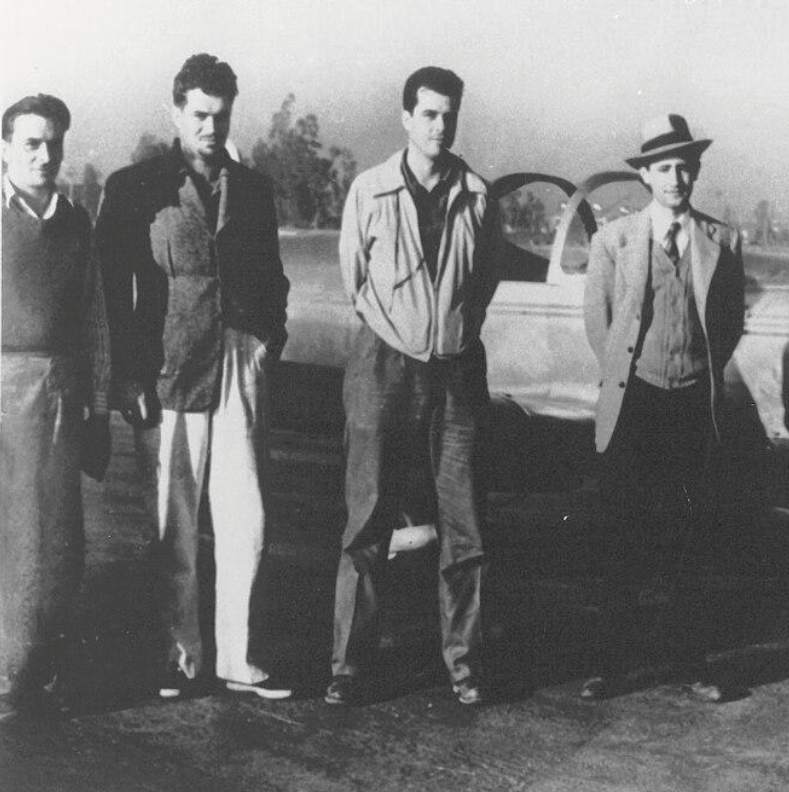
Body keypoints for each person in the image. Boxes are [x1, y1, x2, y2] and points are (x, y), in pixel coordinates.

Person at [96, 53, 291, 700]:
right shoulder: (135, 188)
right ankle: (179, 659)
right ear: (176, 111)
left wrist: (268, 341)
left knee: (248, 520)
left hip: (239, 363)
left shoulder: (255, 190)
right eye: (199, 114)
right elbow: (110, 289)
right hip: (168, 368)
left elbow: (275, 279)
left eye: (221, 115)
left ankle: (241, 658)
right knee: (173, 522)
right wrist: (127, 376)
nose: (211, 127)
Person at [327, 66, 500, 707]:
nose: (440, 126)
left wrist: (449, 332)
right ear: (406, 117)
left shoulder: (477, 195)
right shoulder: (369, 190)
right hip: (382, 364)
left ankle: (466, 665)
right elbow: (355, 279)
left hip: (455, 371)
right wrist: (404, 332)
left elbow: (482, 284)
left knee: (466, 524)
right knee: (367, 518)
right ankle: (348, 668)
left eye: (449, 115)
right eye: (428, 114)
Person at [581, 114, 745, 701]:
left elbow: (727, 325)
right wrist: (633, 375)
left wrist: (693, 370)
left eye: (685, 166)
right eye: (664, 167)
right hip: (635, 403)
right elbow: (599, 325)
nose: (676, 178)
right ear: (645, 175)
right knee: (623, 536)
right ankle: (610, 666)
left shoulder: (722, 240)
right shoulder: (614, 241)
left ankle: (690, 664)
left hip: (693, 405)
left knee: (692, 538)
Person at [1, 94, 110, 718]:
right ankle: (5, 677)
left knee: (61, 535)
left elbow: (94, 315)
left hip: (64, 390)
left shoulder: (75, 220)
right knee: (10, 534)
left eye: (54, 144)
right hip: (3, 390)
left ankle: (43, 669)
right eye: (32, 143)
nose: (45, 155)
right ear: (6, 148)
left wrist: (96, 405)